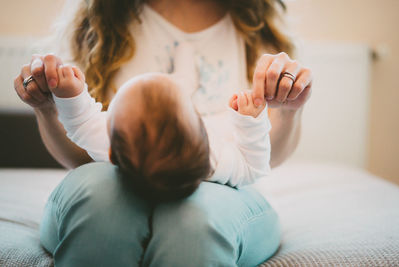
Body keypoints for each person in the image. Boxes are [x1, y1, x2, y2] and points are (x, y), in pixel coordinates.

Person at [14, 0, 312, 266]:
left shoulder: (215, 152)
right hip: (116, 175)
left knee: (193, 225)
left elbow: (86, 123)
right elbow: (83, 141)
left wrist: (286, 110)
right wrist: (49, 106)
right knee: (103, 207)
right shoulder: (100, 19)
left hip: (219, 193)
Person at [49, 48, 270, 200]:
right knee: (184, 81)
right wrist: (249, 121)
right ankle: (184, 75)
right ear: (202, 130)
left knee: (182, 81)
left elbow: (82, 122)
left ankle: (183, 76)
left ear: (111, 155)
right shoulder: (212, 158)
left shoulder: (121, 145)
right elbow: (253, 167)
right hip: (215, 125)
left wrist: (70, 95)